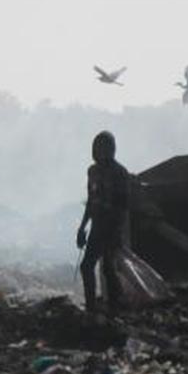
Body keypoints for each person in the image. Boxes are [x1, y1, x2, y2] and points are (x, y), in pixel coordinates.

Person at [76, 130, 131, 314]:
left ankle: (116, 308)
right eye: (97, 148)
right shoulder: (92, 171)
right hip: (97, 226)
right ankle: (92, 307)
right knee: (87, 266)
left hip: (112, 227)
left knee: (108, 268)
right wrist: (82, 227)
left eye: (104, 148)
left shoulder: (120, 173)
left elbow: (123, 206)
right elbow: (91, 201)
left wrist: (116, 230)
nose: (100, 152)